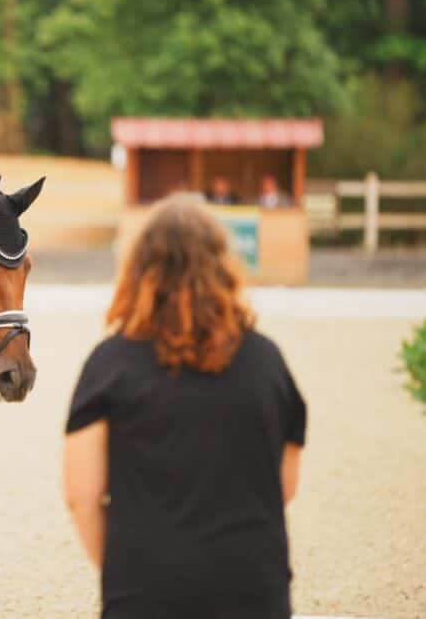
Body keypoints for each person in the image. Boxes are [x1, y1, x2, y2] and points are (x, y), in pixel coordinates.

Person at [63, 193, 306, 619]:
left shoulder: (109, 365)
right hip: (253, 588)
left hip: (143, 591)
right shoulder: (268, 362)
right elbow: (284, 485)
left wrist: (127, 570)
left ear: (139, 270)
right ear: (224, 266)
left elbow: (81, 496)